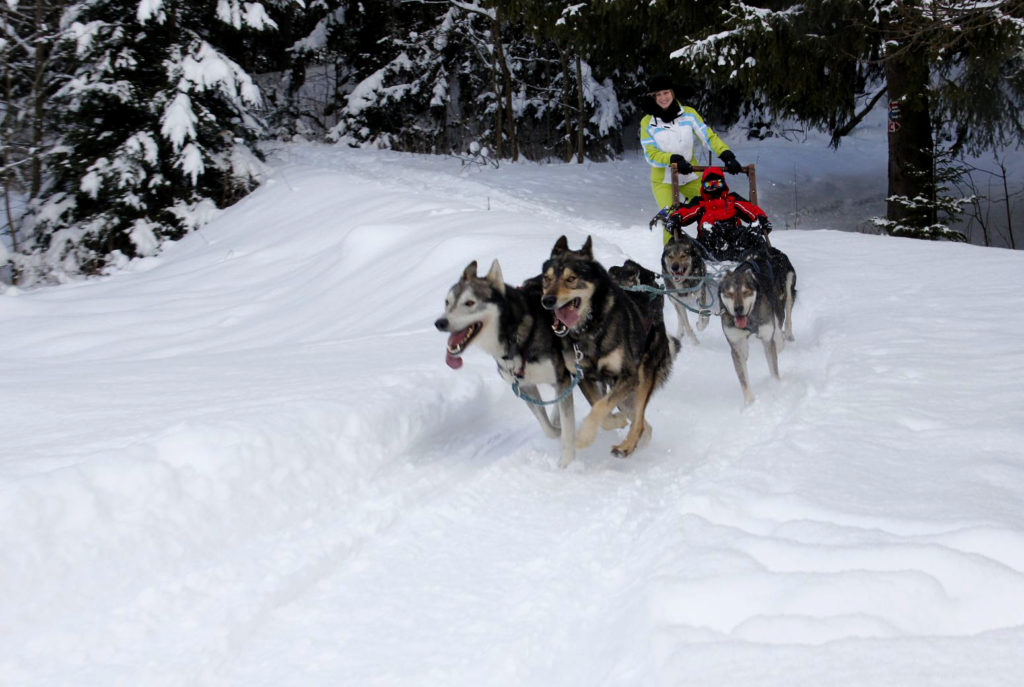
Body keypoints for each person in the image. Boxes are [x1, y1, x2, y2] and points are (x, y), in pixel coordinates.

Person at [639, 74, 745, 242]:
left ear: (672, 93)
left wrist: (726, 155)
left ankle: (718, 244)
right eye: (658, 95)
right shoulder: (647, 122)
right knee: (671, 220)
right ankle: (671, 261)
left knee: (714, 205)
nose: (663, 98)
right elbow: (650, 154)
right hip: (664, 179)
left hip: (690, 174)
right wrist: (673, 159)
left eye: (665, 92)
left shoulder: (688, 114)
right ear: (653, 98)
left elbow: (708, 137)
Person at [667, 166, 773, 261]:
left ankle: (767, 259)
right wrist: (677, 217)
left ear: (723, 184)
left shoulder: (732, 199)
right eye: (709, 185)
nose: (713, 188)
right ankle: (721, 245)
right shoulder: (700, 202)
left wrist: (761, 218)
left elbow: (750, 209)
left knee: (751, 233)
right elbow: (687, 211)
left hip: (735, 239)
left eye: (717, 184)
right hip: (710, 243)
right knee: (707, 229)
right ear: (703, 186)